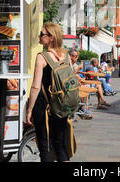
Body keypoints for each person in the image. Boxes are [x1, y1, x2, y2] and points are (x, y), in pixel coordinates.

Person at [26, 23, 72, 162]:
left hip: (43, 106)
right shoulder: (66, 56)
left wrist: (29, 109)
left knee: (45, 145)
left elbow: (35, 87)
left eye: (42, 34)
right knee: (60, 144)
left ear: (51, 38)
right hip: (62, 105)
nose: (39, 36)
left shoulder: (42, 57)